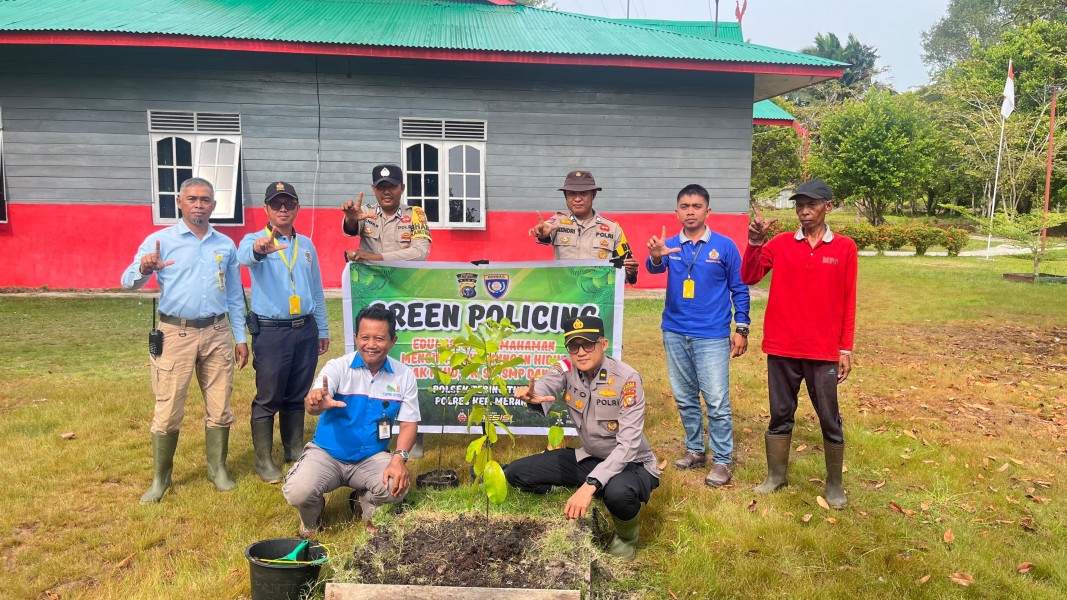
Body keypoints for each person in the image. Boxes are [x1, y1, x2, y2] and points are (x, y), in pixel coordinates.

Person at [120, 177, 248, 504]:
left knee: (220, 406)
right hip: (175, 333)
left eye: (205, 199)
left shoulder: (225, 245)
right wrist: (143, 268)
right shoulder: (160, 240)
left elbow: (234, 294)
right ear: (180, 202)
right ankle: (161, 479)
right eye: (192, 199)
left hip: (217, 332)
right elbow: (127, 282)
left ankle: (217, 469)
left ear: (214, 205)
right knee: (168, 407)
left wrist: (240, 337)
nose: (198, 205)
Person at [741, 178, 857, 508]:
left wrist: (844, 348)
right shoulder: (779, 244)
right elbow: (749, 276)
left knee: (829, 416)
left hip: (822, 350)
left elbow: (849, 301)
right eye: (799, 205)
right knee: (780, 414)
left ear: (828, 207)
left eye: (812, 205)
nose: (804, 211)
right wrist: (754, 242)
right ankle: (776, 476)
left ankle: (834, 484)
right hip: (782, 346)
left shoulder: (844, 248)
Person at [505, 316, 659, 559]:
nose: (581, 352)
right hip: (592, 458)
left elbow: (628, 446)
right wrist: (535, 395)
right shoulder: (567, 368)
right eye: (574, 346)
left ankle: (627, 536)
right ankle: (590, 487)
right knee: (516, 473)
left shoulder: (627, 379)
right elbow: (547, 384)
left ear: (603, 343)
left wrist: (590, 485)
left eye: (588, 344)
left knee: (618, 493)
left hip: (632, 464)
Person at [645, 184, 750, 488]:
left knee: (716, 400)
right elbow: (654, 270)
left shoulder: (725, 246)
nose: (690, 211)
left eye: (696, 206)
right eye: (684, 206)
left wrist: (741, 328)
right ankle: (695, 450)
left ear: (708, 211)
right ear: (676, 211)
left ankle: (722, 460)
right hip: (675, 331)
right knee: (685, 396)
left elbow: (740, 288)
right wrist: (655, 257)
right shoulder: (669, 245)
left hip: (712, 335)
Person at [282, 306, 420, 537]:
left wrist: (399, 458)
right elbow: (313, 403)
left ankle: (362, 502)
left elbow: (408, 423)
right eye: (364, 337)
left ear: (393, 341)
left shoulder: (404, 375)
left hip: (370, 457)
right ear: (356, 337)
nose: (371, 344)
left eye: (379, 338)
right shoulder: (337, 367)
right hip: (327, 454)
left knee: (396, 489)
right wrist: (316, 402)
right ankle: (311, 521)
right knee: (298, 492)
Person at [237, 182, 330, 484]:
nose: (283, 209)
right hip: (272, 331)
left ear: (297, 208)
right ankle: (264, 461)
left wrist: (322, 327)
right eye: (276, 204)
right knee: (269, 396)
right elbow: (245, 256)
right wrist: (259, 250)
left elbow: (316, 288)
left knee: (297, 394)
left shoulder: (306, 245)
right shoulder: (254, 239)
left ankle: (293, 450)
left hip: (304, 329)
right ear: (265, 209)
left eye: (288, 204)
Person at [528, 170, 639, 285]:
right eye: (571, 193)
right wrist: (543, 234)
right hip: (565, 297)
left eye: (583, 193)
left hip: (596, 298)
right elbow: (546, 229)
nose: (577, 199)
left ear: (593, 195)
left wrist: (630, 272)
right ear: (565, 196)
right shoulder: (558, 222)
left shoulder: (613, 229)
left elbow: (626, 271)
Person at [342, 164, 432, 262]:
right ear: (373, 189)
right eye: (381, 187)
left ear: (402, 188)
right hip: (371, 276)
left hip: (402, 276)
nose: (386, 192)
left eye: (392, 186)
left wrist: (374, 258)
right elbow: (351, 229)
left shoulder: (415, 214)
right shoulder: (365, 212)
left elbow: (421, 252)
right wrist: (350, 218)